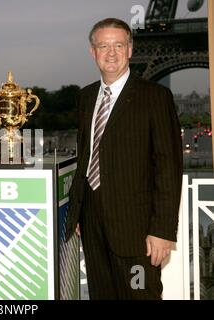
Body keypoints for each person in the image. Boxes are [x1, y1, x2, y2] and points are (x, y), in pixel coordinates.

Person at [66, 18, 183, 299]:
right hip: (92, 223)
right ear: (92, 52)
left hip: (137, 229)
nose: (111, 53)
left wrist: (162, 230)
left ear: (130, 49)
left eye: (119, 45)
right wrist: (79, 208)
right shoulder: (86, 97)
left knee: (139, 294)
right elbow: (87, 155)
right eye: (103, 46)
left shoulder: (155, 96)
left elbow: (168, 165)